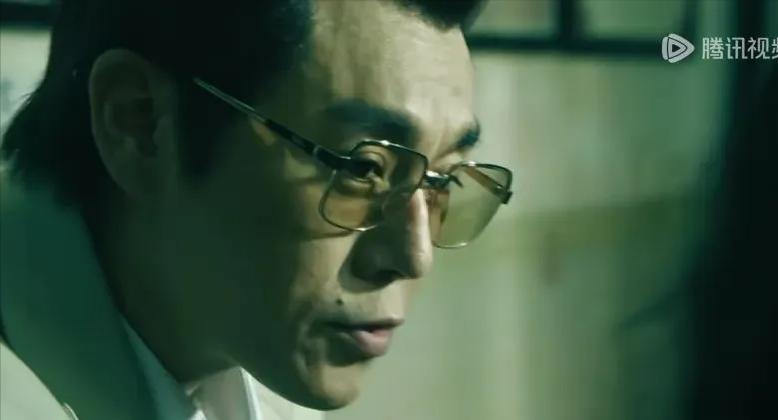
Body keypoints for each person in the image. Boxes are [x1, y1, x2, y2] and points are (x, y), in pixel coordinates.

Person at [0, 0, 513, 419]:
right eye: (363, 169)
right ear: (140, 124)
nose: (414, 256)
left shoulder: (256, 362)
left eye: (443, 179)